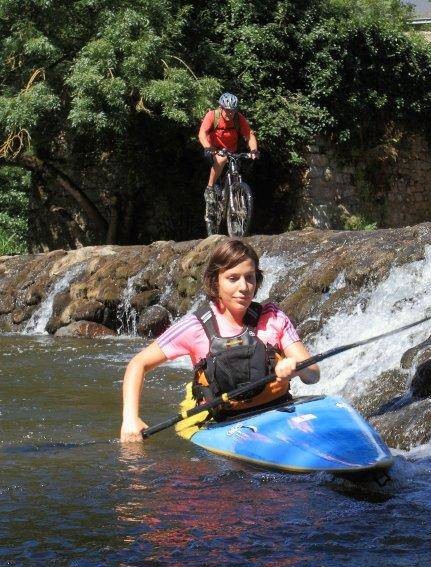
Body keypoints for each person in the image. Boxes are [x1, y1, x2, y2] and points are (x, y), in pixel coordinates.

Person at [120, 239, 319, 443]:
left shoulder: (273, 317)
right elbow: (138, 363)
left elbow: (313, 376)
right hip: (223, 422)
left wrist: (297, 367)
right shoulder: (194, 326)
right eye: (233, 278)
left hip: (277, 410)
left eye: (249, 278)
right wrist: (130, 419)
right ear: (216, 282)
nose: (244, 287)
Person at [198, 93, 259, 229]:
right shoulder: (213, 116)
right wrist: (208, 147)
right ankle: (209, 188)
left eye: (232, 111)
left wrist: (254, 151)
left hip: (231, 150)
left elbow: (249, 135)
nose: (230, 113)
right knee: (221, 159)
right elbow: (202, 133)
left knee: (237, 165)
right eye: (227, 110)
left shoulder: (238, 118)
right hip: (213, 149)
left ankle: (235, 196)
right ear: (221, 108)